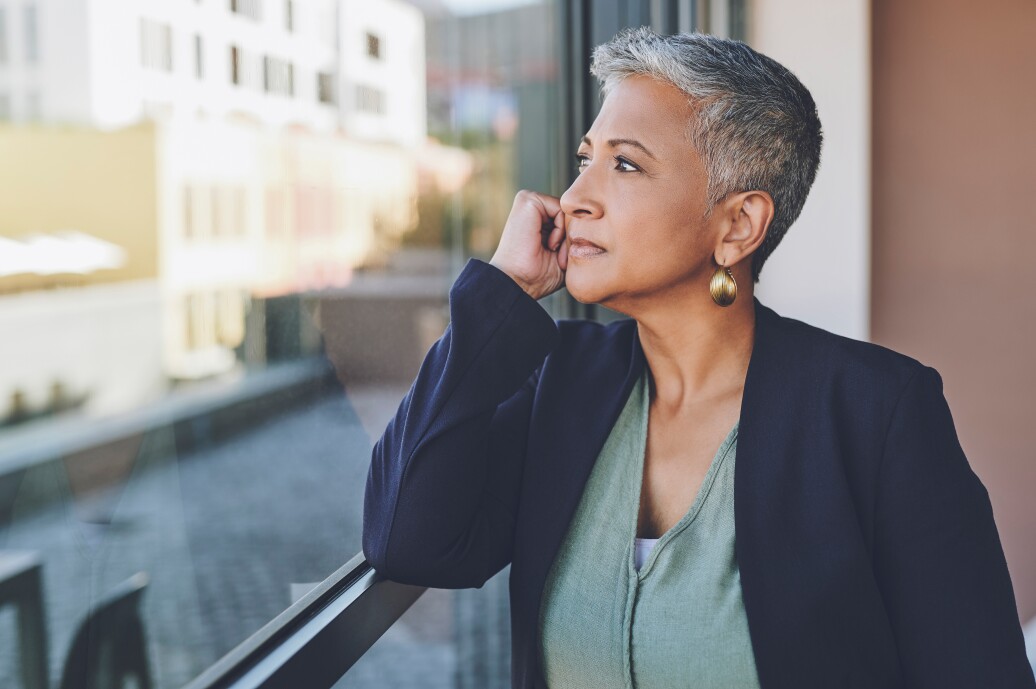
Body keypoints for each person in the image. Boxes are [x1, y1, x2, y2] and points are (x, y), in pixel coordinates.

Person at [362, 27, 1035, 689]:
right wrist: (500, 297)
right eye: (583, 159)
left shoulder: (878, 414)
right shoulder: (560, 384)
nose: (573, 199)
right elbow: (408, 539)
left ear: (738, 224)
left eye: (625, 165)